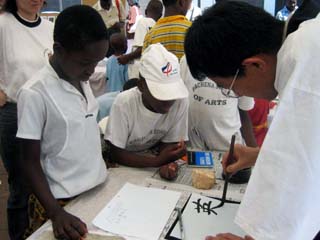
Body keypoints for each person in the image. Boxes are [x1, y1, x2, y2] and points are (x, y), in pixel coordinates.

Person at [184, 1, 320, 239]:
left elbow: (299, 188)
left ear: (255, 64)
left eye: (229, 87)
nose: (237, 95)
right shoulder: (304, 36)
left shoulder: (306, 61)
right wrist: (258, 155)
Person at [16, 5, 108, 239]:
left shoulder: (79, 76)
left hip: (96, 190)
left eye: (97, 61)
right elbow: (29, 161)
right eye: (86, 62)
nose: (92, 70)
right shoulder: (35, 93)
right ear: (59, 49)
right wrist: (56, 213)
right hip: (62, 202)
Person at [0, 0, 53, 238]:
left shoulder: (50, 28)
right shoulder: (3, 25)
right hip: (16, 112)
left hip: (48, 112)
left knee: (48, 179)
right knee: (21, 186)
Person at [105, 43, 189, 168]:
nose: (169, 100)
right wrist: (157, 162)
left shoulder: (180, 101)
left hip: (149, 157)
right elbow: (116, 153)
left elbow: (169, 142)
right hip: (126, 161)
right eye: (161, 93)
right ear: (141, 86)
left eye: (173, 92)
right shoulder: (124, 103)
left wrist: (168, 162)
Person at [180, 56, 256, 152]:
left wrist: (254, 151)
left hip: (228, 148)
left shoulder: (242, 64)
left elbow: (244, 112)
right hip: (193, 148)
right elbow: (178, 102)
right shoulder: (188, 61)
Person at [118, 0, 163, 79]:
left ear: (145, 11)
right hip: (151, 69)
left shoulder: (143, 22)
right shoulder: (159, 27)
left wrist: (126, 58)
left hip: (139, 68)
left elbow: (141, 48)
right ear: (160, 15)